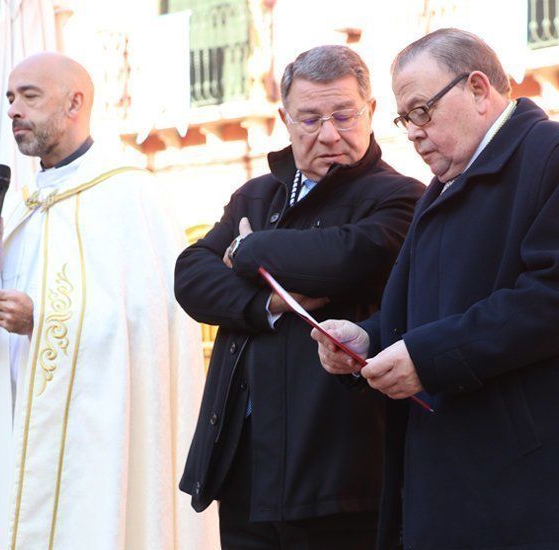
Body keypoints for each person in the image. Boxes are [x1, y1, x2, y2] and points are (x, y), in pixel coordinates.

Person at [312, 29, 559, 548]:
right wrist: (368, 340)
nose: (414, 133)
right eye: (405, 120)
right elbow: (434, 310)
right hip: (483, 487)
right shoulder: (447, 185)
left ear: (479, 89)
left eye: (422, 111)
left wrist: (426, 356)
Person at [0, 53, 217, 549]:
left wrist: (43, 319)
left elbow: (150, 319)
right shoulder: (19, 206)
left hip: (93, 438)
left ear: (75, 102)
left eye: (29, 96)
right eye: (10, 98)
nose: (14, 109)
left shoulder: (131, 195)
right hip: (13, 427)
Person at [176, 45, 423, 548]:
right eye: (310, 119)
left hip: (340, 478)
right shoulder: (256, 195)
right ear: (285, 120)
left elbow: (346, 258)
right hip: (243, 467)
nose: (329, 134)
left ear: (371, 112)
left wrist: (247, 249)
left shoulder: (401, 196)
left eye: (343, 114)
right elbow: (191, 276)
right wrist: (266, 304)